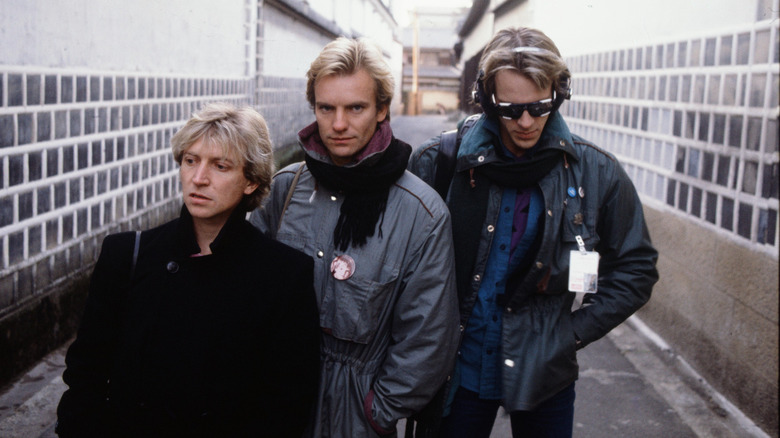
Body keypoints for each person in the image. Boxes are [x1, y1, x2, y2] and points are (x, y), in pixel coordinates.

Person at [408, 27, 659, 438]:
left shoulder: (596, 172)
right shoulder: (440, 161)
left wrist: (569, 335)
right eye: (510, 109)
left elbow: (636, 269)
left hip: (546, 371)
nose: (525, 122)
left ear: (558, 95)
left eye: (539, 107)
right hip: (455, 369)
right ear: (488, 101)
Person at [56, 102, 321, 438]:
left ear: (251, 181)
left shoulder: (284, 274)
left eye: (220, 166)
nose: (199, 178)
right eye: (190, 161)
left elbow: (286, 403)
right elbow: (85, 375)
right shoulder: (126, 255)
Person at [250, 37, 460, 437]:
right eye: (326, 108)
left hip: (357, 416)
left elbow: (428, 339)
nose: (339, 124)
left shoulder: (421, 213)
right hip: (275, 401)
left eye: (356, 108)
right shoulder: (284, 190)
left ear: (382, 109)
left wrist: (377, 411)